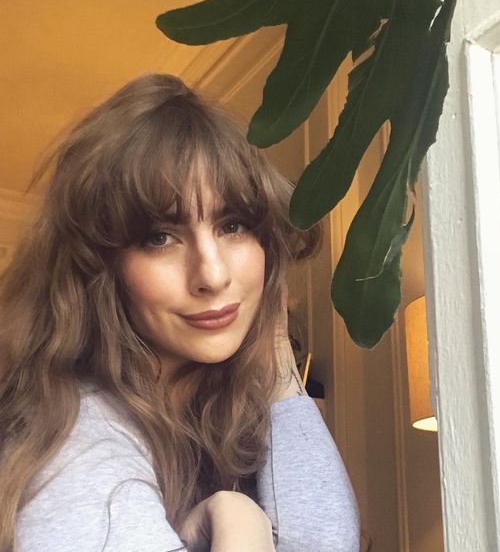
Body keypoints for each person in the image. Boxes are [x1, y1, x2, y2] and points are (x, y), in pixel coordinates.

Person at [0, 74, 360, 551]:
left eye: (233, 225)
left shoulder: (215, 409)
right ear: (100, 269)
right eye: (160, 238)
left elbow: (323, 540)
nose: (212, 274)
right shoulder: (76, 442)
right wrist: (240, 528)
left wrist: (274, 355)